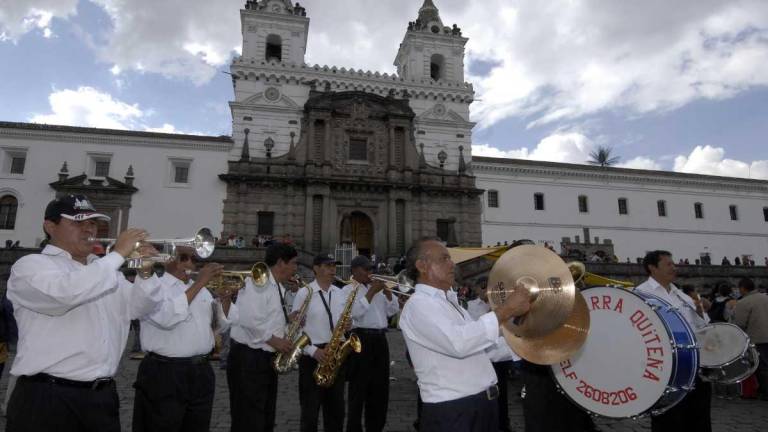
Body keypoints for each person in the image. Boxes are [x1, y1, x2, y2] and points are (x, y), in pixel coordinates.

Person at [5, 194, 163, 431]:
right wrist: (117, 254)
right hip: (46, 397)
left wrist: (146, 272)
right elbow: (64, 295)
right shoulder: (30, 266)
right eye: (78, 222)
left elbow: (142, 307)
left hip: (101, 398)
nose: (89, 229)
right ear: (50, 227)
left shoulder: (108, 273)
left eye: (92, 223)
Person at [398, 237, 530, 432]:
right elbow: (459, 343)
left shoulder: (449, 302)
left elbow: (484, 350)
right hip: (453, 412)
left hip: (479, 407)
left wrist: (529, 343)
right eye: (444, 259)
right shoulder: (418, 305)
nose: (452, 264)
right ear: (422, 266)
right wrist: (506, 310)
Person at [131, 247, 231, 431]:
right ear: (167, 260)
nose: (189, 263)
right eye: (183, 258)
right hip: (165, 372)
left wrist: (224, 302)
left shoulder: (202, 291)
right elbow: (166, 318)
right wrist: (200, 282)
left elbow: (218, 327)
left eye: (194, 259)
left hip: (201, 372)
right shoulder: (155, 288)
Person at [636, 250, 712, 432]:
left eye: (674, 263)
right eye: (668, 264)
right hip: (665, 369)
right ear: (652, 268)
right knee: (669, 419)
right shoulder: (640, 294)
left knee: (699, 416)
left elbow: (701, 327)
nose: (674, 267)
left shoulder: (683, 296)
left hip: (693, 365)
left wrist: (702, 313)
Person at [227, 242, 298, 432]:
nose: (295, 268)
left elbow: (266, 317)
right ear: (281, 263)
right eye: (293, 263)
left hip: (264, 358)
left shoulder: (277, 287)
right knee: (248, 419)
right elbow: (250, 320)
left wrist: (289, 319)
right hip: (249, 359)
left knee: (265, 416)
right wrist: (277, 342)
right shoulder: (260, 282)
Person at [342, 255, 399, 432]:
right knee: (359, 387)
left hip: (380, 340)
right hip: (360, 339)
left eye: (371, 269)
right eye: (366, 269)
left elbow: (393, 310)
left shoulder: (379, 289)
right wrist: (371, 292)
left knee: (380, 388)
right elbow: (355, 314)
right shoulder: (347, 290)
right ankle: (354, 427)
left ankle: (375, 427)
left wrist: (388, 292)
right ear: (355, 270)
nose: (370, 273)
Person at [292, 253, 348, 432]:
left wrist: (350, 324)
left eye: (334, 266)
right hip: (312, 357)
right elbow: (294, 331)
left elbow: (347, 321)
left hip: (335, 354)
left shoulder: (340, 293)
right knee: (310, 412)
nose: (333, 269)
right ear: (315, 268)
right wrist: (312, 351)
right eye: (328, 265)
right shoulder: (304, 293)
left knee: (336, 411)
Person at [464, 279, 515, 432]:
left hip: (501, 357)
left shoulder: (505, 305)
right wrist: (492, 315)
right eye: (483, 287)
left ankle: (503, 424)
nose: (486, 291)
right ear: (476, 289)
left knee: (502, 395)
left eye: (489, 287)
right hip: (482, 357)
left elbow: (510, 329)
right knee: (482, 396)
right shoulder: (471, 306)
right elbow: (474, 330)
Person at [732, 277, 768, 401]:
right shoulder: (765, 297)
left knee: (760, 366)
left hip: (756, 338)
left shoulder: (744, 302)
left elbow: (740, 324)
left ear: (743, 288)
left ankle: (765, 391)